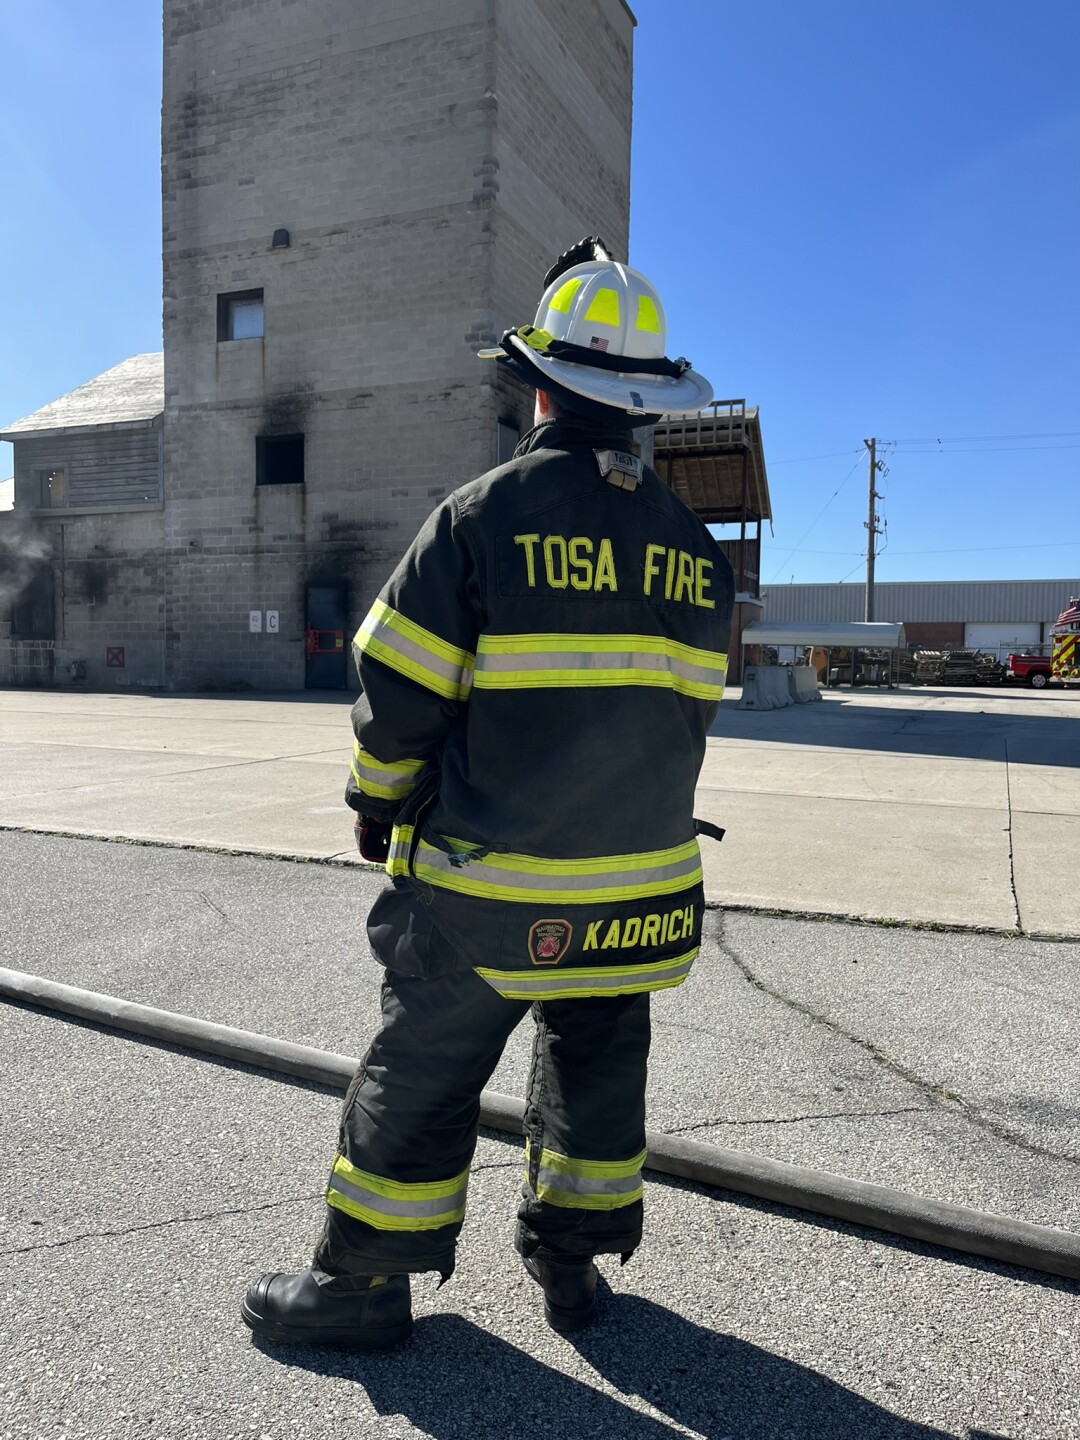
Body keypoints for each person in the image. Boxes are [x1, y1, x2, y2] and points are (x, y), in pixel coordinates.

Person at [242, 238, 734, 1350]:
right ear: (646, 402)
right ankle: (574, 1272)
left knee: (422, 1070)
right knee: (598, 1076)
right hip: (641, 891)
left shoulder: (479, 518)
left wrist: (379, 806)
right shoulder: (698, 554)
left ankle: (362, 1287)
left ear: (541, 386)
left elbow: (399, 700)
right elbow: (683, 721)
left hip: (488, 886)